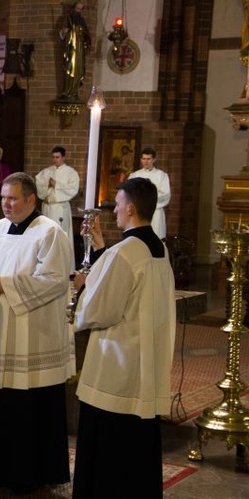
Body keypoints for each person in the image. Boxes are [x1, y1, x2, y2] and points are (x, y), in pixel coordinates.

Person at [72, 177, 175, 498]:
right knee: (136, 449)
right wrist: (102, 250)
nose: (114, 210)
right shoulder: (158, 248)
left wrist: (82, 289)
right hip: (145, 360)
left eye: (117, 204)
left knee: (109, 453)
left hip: (117, 369)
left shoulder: (125, 253)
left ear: (130, 208)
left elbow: (101, 310)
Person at [0, 172, 74, 492]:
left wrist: (6, 285)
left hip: (34, 334)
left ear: (31, 199)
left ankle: (32, 472)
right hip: (0, 329)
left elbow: (56, 280)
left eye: (13, 198)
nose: (6, 204)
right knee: (3, 403)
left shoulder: (51, 233)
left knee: (30, 407)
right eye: (3, 197)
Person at [35, 146, 79, 272]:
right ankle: (46, 266)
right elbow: (39, 186)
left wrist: (57, 185)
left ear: (63, 157)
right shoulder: (46, 171)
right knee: (46, 235)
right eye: (53, 157)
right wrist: (47, 185)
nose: (55, 160)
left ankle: (63, 268)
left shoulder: (71, 172)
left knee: (61, 235)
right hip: (47, 207)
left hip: (60, 208)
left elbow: (72, 189)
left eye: (58, 157)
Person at [128, 147, 171, 239]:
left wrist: (146, 199)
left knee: (156, 238)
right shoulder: (135, 176)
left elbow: (165, 194)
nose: (146, 161)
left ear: (154, 159)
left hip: (156, 211)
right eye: (143, 159)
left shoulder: (161, 175)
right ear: (141, 160)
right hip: (139, 212)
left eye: (148, 159)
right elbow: (129, 193)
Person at [60, 1, 90, 100]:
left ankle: (75, 90)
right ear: (74, 8)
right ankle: (68, 90)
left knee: (78, 69)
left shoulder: (82, 20)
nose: (78, 11)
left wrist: (85, 38)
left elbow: (87, 35)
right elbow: (63, 32)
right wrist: (65, 32)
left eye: (80, 9)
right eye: (77, 9)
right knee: (70, 67)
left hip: (79, 49)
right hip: (71, 48)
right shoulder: (68, 18)